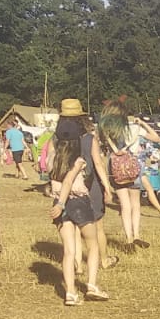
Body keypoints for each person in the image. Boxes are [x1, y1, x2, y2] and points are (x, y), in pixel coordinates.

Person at [49, 123, 109, 304]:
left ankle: (71, 293)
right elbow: (68, 181)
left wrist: (58, 202)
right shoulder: (78, 160)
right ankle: (91, 285)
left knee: (69, 251)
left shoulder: (53, 159)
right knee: (92, 245)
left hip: (61, 206)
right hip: (77, 203)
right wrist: (61, 203)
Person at [98, 99, 160, 249]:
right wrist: (142, 123)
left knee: (125, 205)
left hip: (115, 168)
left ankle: (128, 238)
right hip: (133, 167)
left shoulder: (106, 129)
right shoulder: (134, 128)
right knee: (136, 204)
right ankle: (137, 235)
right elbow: (157, 138)